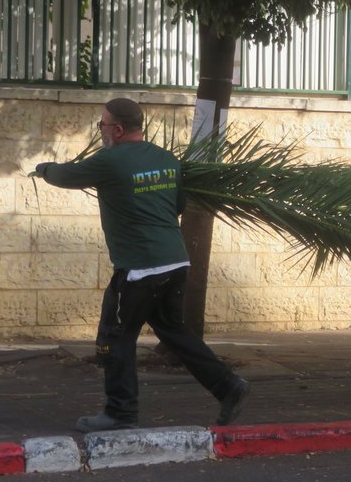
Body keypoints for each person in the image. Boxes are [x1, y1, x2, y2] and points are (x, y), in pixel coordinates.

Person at [34, 98, 249, 433]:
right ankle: (228, 386)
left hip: (138, 270)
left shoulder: (110, 160)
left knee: (114, 337)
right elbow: (177, 204)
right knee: (174, 332)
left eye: (102, 125)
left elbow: (67, 175)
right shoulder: (166, 160)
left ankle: (120, 412)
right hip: (175, 262)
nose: (101, 131)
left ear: (117, 129)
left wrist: (45, 168)